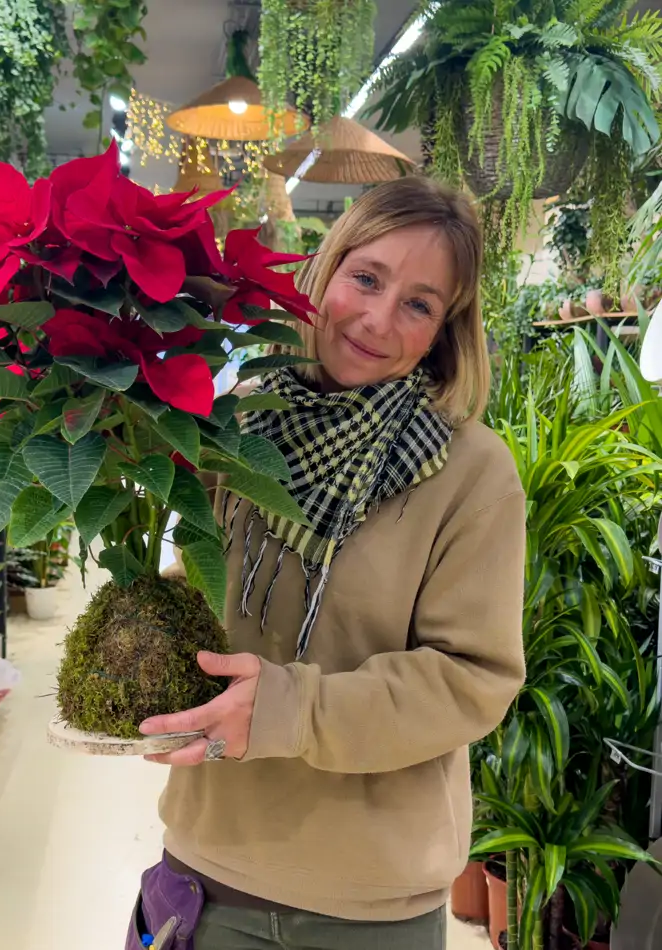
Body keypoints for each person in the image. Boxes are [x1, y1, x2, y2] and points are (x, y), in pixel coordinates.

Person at [132, 177, 527, 950]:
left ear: (446, 329)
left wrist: (286, 710)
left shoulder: (470, 473)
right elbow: (212, 580)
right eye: (367, 278)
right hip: (209, 870)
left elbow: (470, 678)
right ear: (325, 271)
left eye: (418, 303)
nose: (378, 319)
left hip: (369, 901)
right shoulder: (245, 415)